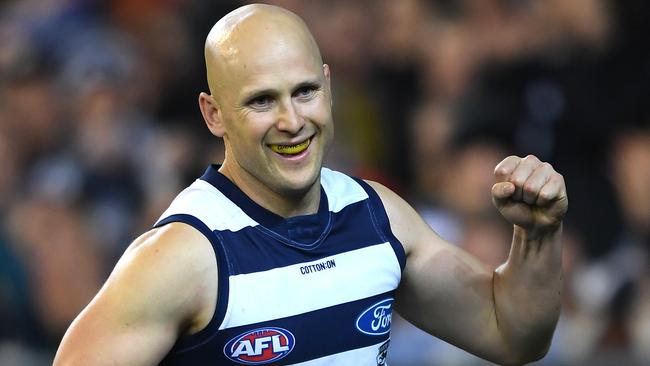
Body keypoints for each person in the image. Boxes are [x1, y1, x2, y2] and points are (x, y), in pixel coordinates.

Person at [53, 3, 568, 365]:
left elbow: (512, 334)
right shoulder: (184, 255)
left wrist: (537, 237)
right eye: (261, 100)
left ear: (327, 85)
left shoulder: (376, 215)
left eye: (304, 92)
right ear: (213, 114)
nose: (291, 121)